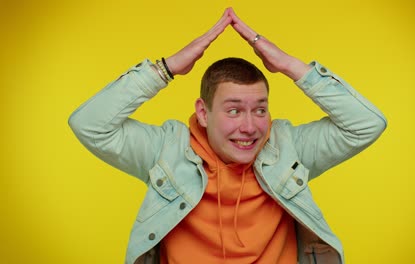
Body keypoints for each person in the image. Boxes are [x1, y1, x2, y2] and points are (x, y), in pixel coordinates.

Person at [69, 7, 386, 264]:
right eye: (234, 110)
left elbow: (366, 123)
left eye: (260, 110)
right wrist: (165, 69)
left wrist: (290, 66)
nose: (250, 127)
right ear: (204, 113)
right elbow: (89, 124)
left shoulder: (289, 148)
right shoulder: (165, 150)